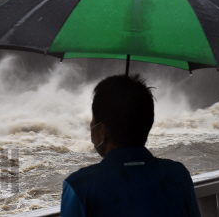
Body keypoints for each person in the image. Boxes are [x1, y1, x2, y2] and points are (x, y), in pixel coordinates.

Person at [60, 74, 200, 217]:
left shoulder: (79, 186)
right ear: (148, 123)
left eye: (93, 121)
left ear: (102, 130)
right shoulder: (178, 175)